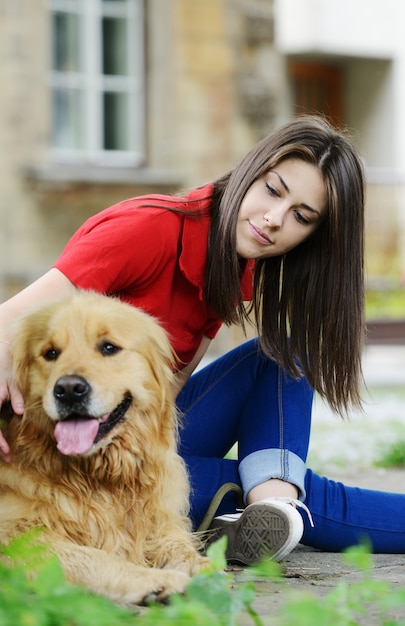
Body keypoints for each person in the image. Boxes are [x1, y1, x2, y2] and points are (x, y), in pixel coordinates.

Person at [1, 115, 405, 564]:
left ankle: (272, 503)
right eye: (272, 190)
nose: (273, 219)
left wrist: (153, 464)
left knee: (281, 355)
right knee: (289, 492)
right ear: (251, 170)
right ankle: (272, 505)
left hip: (124, 443)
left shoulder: (230, 261)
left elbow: (165, 396)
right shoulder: (146, 229)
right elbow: (11, 321)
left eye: (301, 217)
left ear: (313, 238)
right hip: (52, 462)